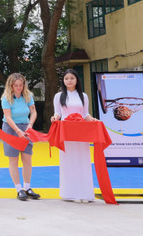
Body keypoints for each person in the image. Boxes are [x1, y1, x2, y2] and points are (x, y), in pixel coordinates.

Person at [51, 68, 96, 202]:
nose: (69, 81)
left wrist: (94, 121)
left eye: (72, 78)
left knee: (83, 161)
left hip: (81, 132)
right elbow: (58, 113)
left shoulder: (83, 95)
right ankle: (71, 193)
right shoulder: (59, 96)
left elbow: (85, 114)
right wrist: (54, 117)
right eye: (66, 78)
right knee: (68, 162)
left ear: (76, 80)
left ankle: (85, 193)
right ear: (63, 81)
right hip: (66, 132)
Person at [1, 73, 40, 201]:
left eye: (21, 85)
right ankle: (19, 189)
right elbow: (8, 117)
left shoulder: (28, 96)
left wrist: (30, 125)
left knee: (27, 159)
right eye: (15, 85)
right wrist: (18, 131)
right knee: (13, 160)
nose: (18, 87)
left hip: (25, 127)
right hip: (11, 129)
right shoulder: (6, 98)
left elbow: (33, 112)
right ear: (11, 85)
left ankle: (27, 187)